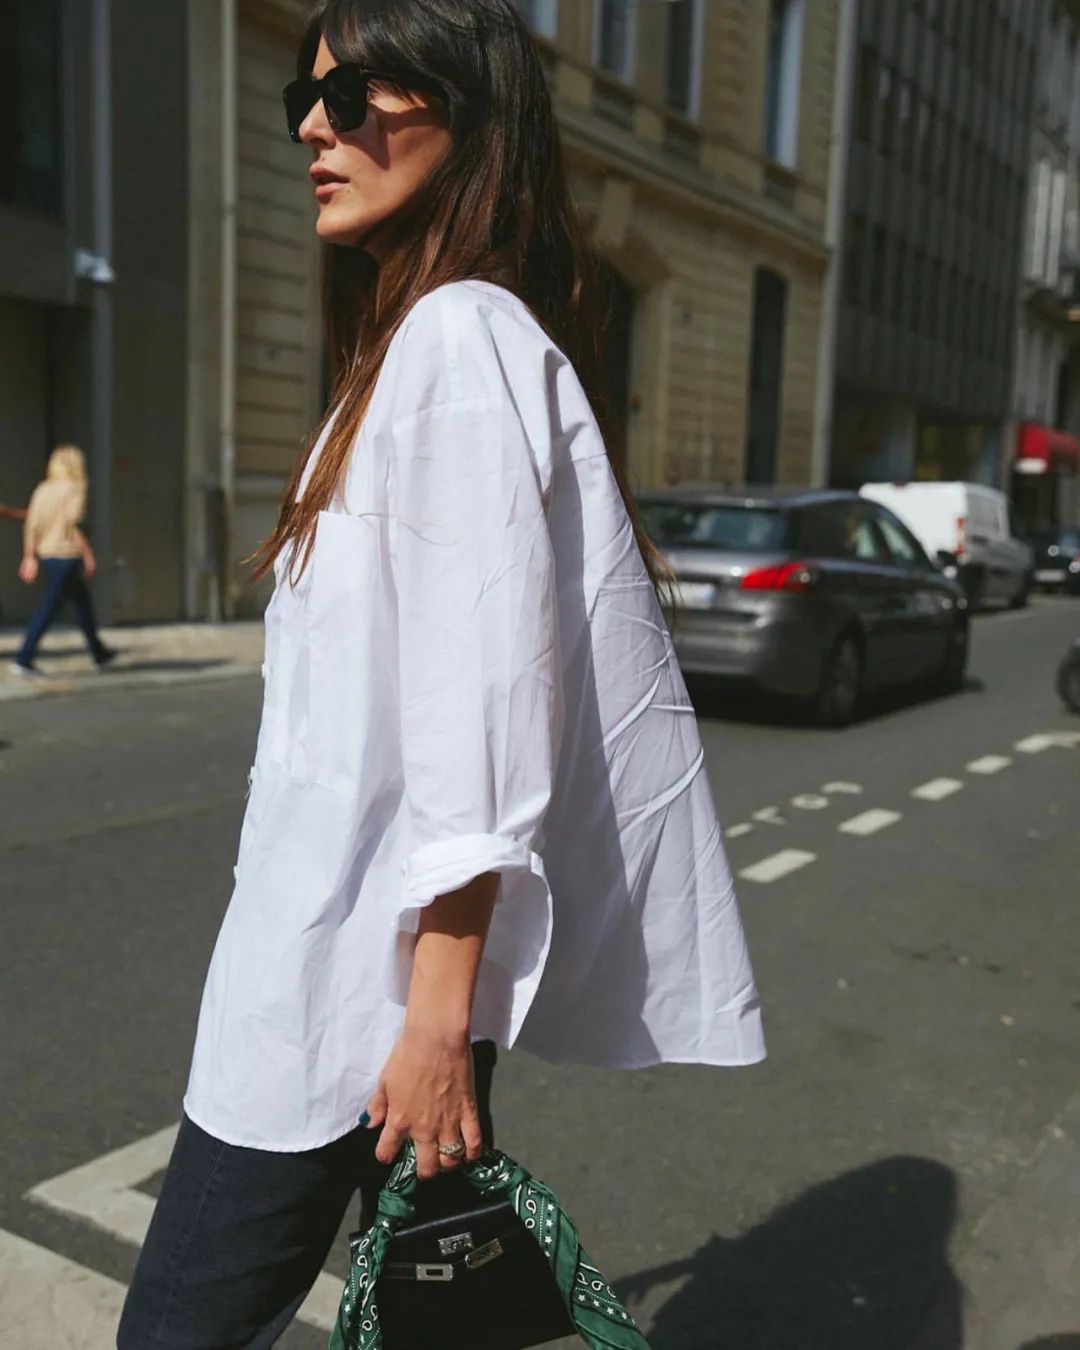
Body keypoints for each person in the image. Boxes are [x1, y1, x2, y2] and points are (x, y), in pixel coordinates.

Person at [118, 2, 765, 1345]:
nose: (313, 125)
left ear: (464, 110)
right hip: (354, 975)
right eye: (303, 97)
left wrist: (432, 1024)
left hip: (341, 1003)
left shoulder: (458, 341)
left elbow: (484, 711)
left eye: (353, 94)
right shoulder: (414, 346)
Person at [10, 445, 115, 679]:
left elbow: (32, 525)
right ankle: (24, 658)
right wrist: (88, 554)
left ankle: (99, 652)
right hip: (67, 554)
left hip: (47, 554)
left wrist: (29, 556)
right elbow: (73, 522)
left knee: (83, 604)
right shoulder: (76, 488)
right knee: (49, 607)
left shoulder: (43, 489)